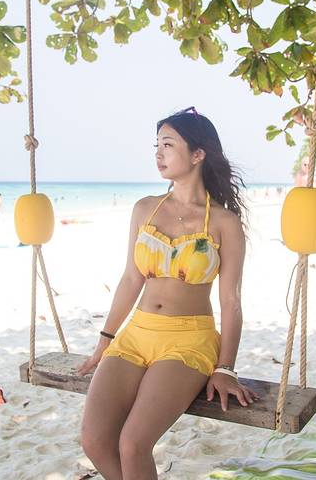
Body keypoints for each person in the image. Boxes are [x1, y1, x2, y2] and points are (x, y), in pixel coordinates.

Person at [78, 107, 257, 480]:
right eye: (156, 145)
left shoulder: (224, 222)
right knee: (94, 440)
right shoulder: (145, 208)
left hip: (188, 341)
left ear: (197, 154)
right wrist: (105, 340)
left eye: (168, 145)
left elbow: (231, 301)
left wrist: (225, 368)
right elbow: (131, 279)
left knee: (133, 444)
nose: (158, 154)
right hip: (136, 334)